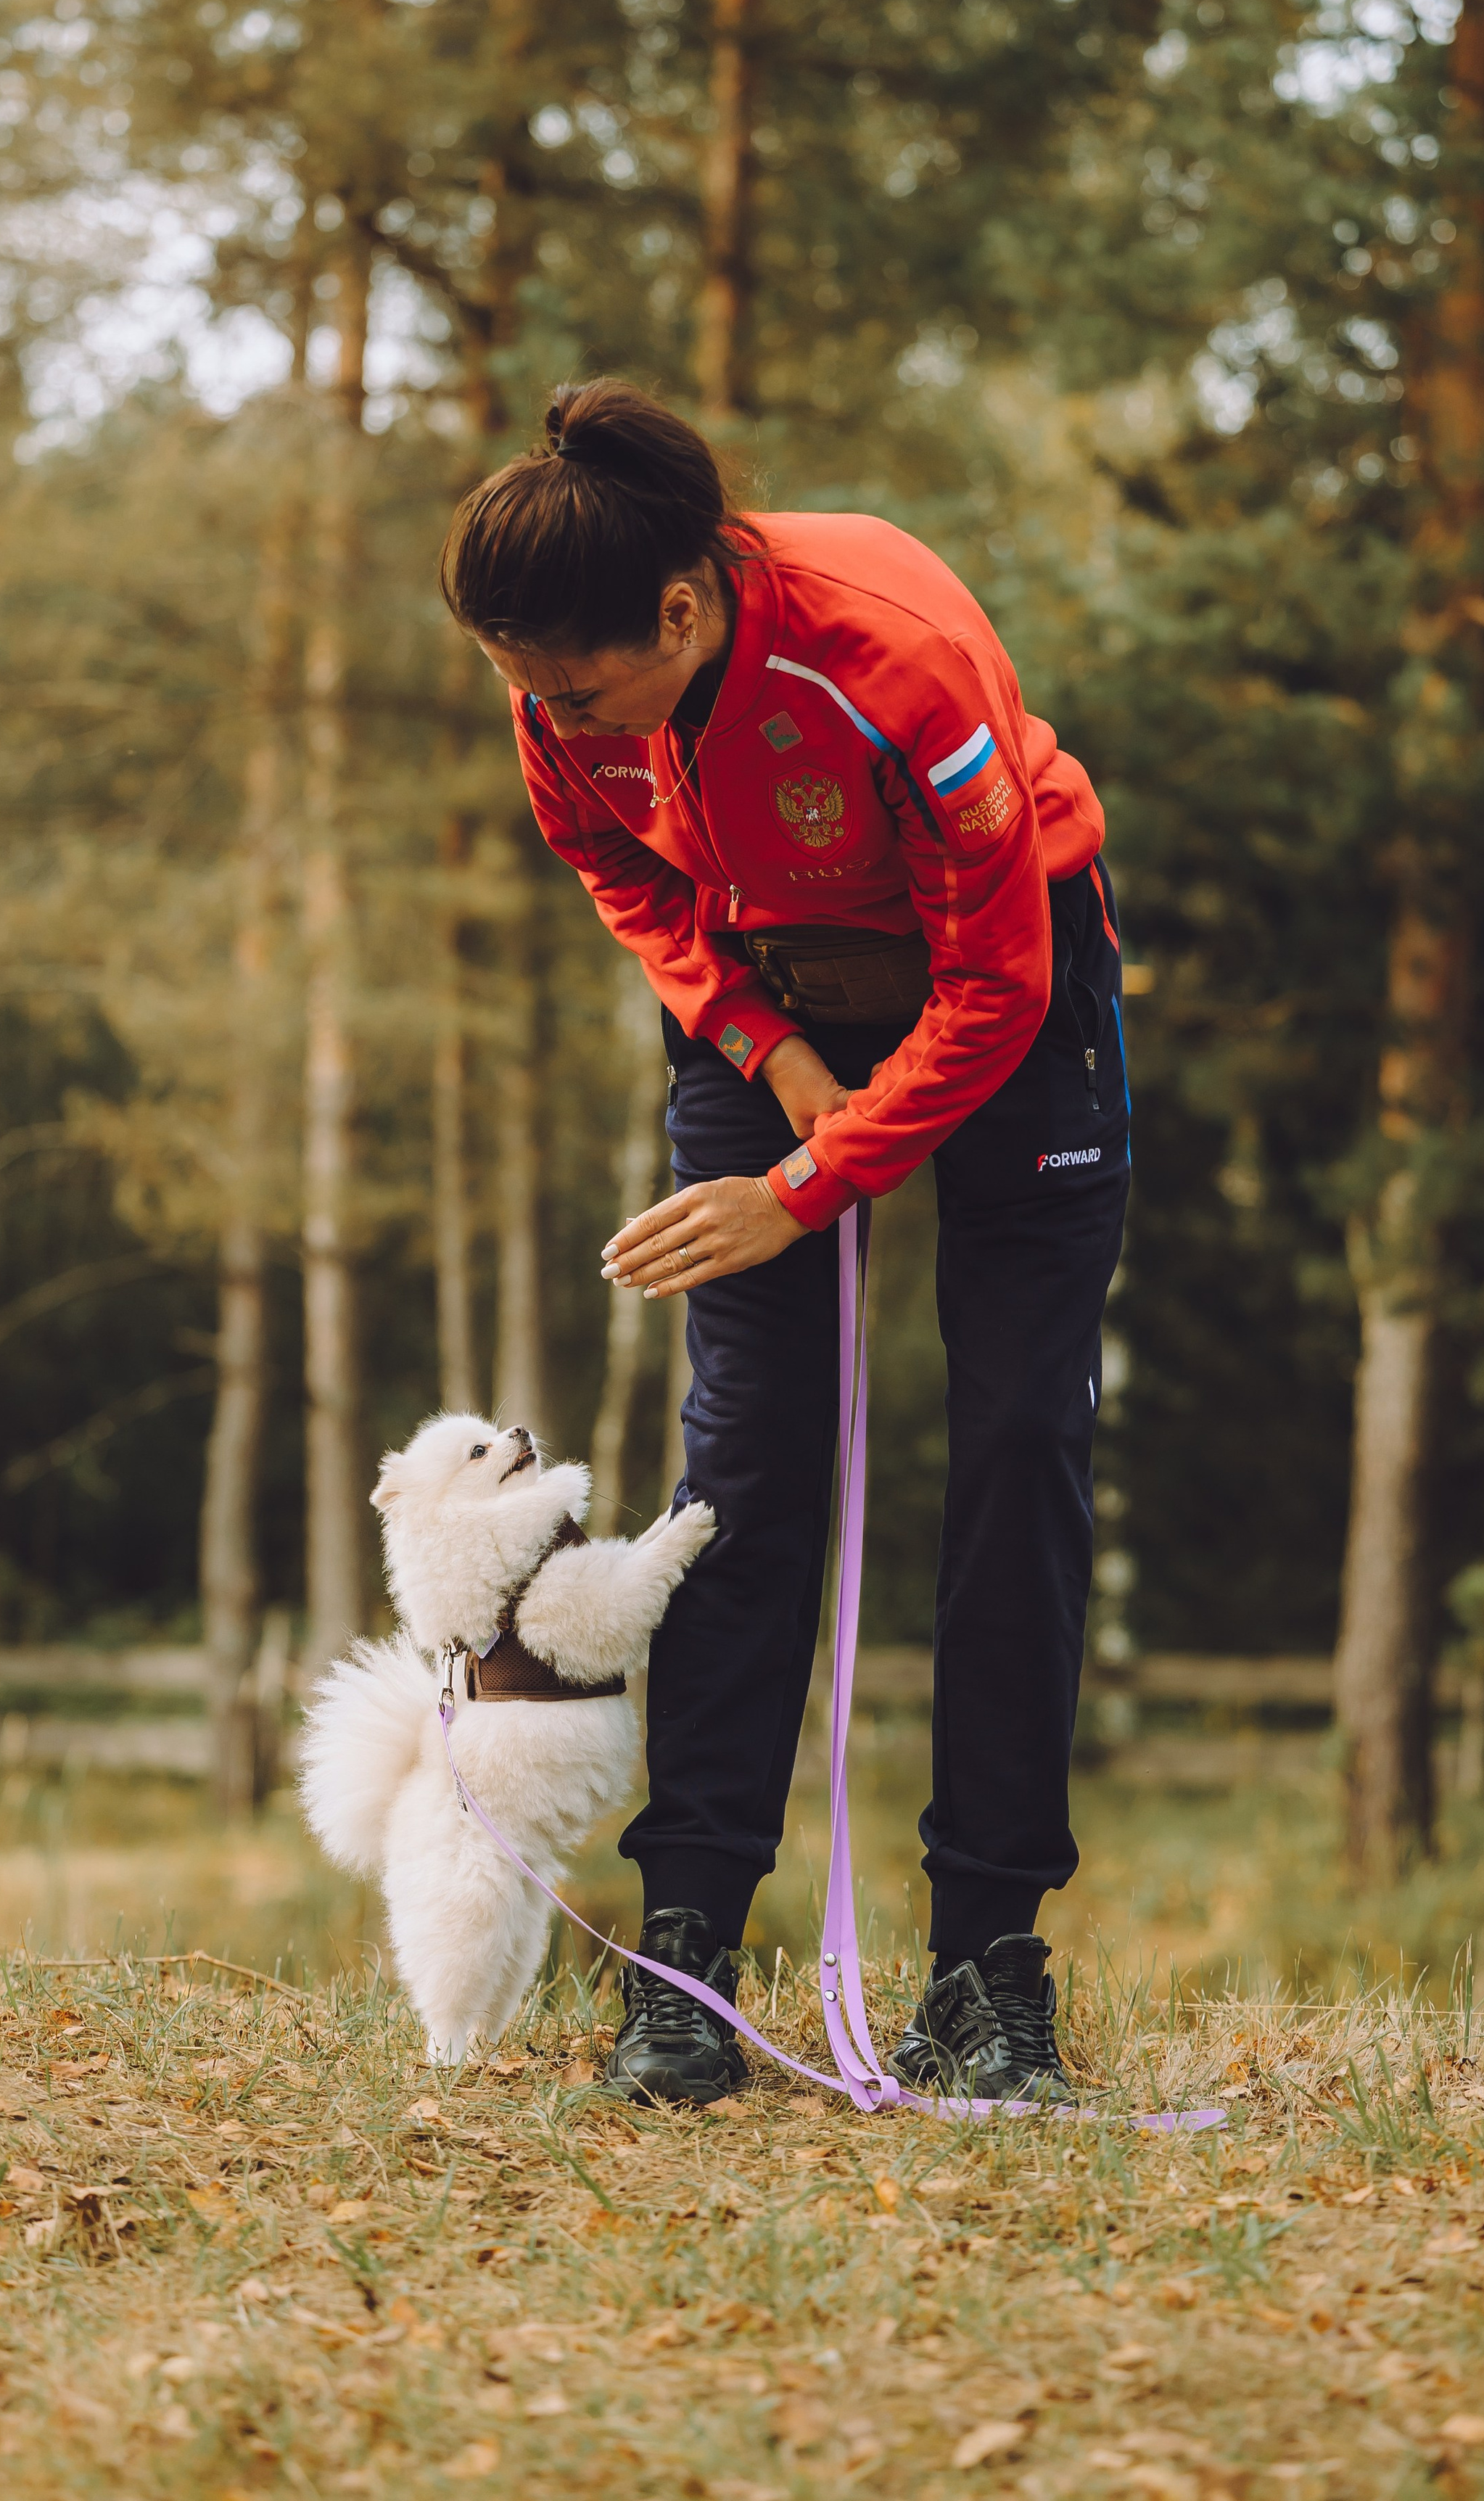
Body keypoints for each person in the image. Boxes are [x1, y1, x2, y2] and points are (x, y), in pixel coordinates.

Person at [440, 379, 1129, 2107]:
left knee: (1023, 1440)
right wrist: (778, 1065)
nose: (548, 717)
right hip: (773, 1012)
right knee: (738, 1462)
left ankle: (986, 1960)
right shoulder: (561, 681)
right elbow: (631, 881)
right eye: (522, 686)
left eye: (575, 688)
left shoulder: (888, 655)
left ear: (681, 608)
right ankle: (684, 1952)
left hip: (1010, 1007)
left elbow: (997, 987)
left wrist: (813, 1183)